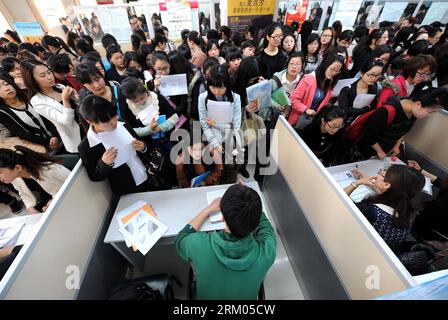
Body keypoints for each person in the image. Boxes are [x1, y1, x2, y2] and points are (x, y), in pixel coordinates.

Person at [175, 183, 276, 299]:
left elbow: (181, 239)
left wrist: (207, 210)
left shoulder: (200, 245)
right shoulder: (267, 252)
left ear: (222, 217)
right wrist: (250, 205)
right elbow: (266, 227)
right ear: (255, 222)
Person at [77, 95, 167, 195]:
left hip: (149, 176)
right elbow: (95, 176)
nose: (114, 122)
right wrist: (104, 163)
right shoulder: (86, 146)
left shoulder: (122, 124)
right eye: (106, 121)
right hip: (127, 188)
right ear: (90, 122)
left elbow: (144, 146)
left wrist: (143, 147)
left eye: (114, 116)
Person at [344, 165, 425, 250]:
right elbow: (391, 194)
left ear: (386, 185)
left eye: (382, 175)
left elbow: (339, 199)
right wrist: (375, 183)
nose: (378, 175)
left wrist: (357, 183)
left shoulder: (370, 210)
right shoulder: (410, 208)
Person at [355, 86, 448, 160]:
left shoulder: (413, 113)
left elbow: (403, 132)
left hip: (384, 154)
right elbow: (369, 135)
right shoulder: (386, 111)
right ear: (418, 104)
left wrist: (396, 146)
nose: (429, 116)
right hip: (366, 152)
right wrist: (379, 151)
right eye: (430, 112)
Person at [20, 59, 81, 154]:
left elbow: (79, 105)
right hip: (75, 137)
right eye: (43, 75)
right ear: (33, 80)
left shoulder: (60, 87)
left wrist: (74, 96)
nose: (49, 77)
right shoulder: (37, 101)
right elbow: (66, 121)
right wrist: (65, 100)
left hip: (86, 126)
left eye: (49, 72)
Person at [0, 146, 70, 214]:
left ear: (18, 168)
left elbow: (72, 186)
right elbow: (23, 193)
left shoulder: (50, 170)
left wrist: (53, 201)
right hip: (51, 203)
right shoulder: (15, 178)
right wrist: (30, 207)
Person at [0, 74, 59, 152]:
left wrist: (55, 135)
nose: (6, 88)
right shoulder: (3, 112)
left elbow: (48, 115)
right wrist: (48, 142)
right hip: (43, 146)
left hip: (59, 132)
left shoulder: (29, 95)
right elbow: (22, 134)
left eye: (7, 84)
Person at [120, 77, 178, 152]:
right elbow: (130, 130)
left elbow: (175, 117)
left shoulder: (157, 98)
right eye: (135, 101)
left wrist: (160, 128)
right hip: (148, 146)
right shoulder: (127, 106)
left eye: (142, 98)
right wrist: (148, 129)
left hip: (169, 138)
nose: (140, 102)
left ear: (145, 90)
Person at [75, 63, 138, 129]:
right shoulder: (88, 107)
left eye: (97, 79)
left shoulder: (121, 92)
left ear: (102, 75)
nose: (97, 85)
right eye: (89, 83)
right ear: (84, 85)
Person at [289, 54, 344, 127]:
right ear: (326, 65)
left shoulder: (330, 83)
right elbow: (293, 99)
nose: (333, 73)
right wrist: (306, 109)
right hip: (298, 119)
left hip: (313, 120)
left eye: (337, 71)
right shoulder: (309, 79)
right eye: (332, 69)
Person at [198, 64, 241, 153]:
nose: (217, 91)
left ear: (227, 85)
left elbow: (236, 127)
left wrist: (216, 125)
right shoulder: (203, 98)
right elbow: (204, 124)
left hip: (230, 137)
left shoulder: (236, 98)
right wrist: (215, 144)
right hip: (211, 136)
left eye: (221, 88)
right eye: (213, 87)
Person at [408, 160, 448, 247]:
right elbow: (441, 183)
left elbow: (431, 210)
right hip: (431, 212)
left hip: (432, 228)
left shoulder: (442, 205)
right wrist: (420, 170)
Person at [338, 59, 383, 123]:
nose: (373, 78)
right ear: (362, 73)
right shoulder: (347, 89)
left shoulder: (374, 89)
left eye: (377, 75)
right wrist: (363, 110)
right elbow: (344, 109)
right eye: (371, 75)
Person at [270, 52, 304, 119]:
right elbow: (265, 96)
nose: (294, 67)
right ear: (287, 64)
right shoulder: (276, 79)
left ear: (302, 66)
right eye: (291, 63)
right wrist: (276, 105)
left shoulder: (303, 81)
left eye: (298, 64)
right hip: (274, 114)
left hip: (292, 117)